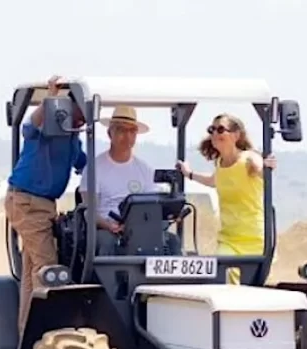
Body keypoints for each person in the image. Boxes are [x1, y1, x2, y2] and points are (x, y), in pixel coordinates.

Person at [4, 75, 87, 331]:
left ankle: (28, 336)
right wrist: (51, 99)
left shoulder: (73, 139)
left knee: (33, 273)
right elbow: (29, 127)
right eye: (80, 112)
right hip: (27, 202)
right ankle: (47, 335)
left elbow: (85, 165)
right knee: (48, 269)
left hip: (45, 206)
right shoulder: (46, 129)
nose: (83, 120)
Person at [176, 113, 276, 283]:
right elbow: (213, 181)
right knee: (222, 277)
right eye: (212, 130)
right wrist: (189, 174)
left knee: (253, 288)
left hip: (256, 239)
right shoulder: (219, 163)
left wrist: (267, 166)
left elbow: (261, 169)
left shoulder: (249, 158)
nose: (215, 133)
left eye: (221, 129)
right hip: (229, 239)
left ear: (236, 135)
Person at [78, 105, 180, 255]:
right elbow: (90, 212)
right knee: (106, 242)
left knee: (172, 241)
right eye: (121, 130)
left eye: (132, 131)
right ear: (110, 133)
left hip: (140, 228)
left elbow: (152, 206)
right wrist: (109, 225)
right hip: (107, 228)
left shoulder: (145, 170)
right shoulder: (94, 168)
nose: (127, 136)